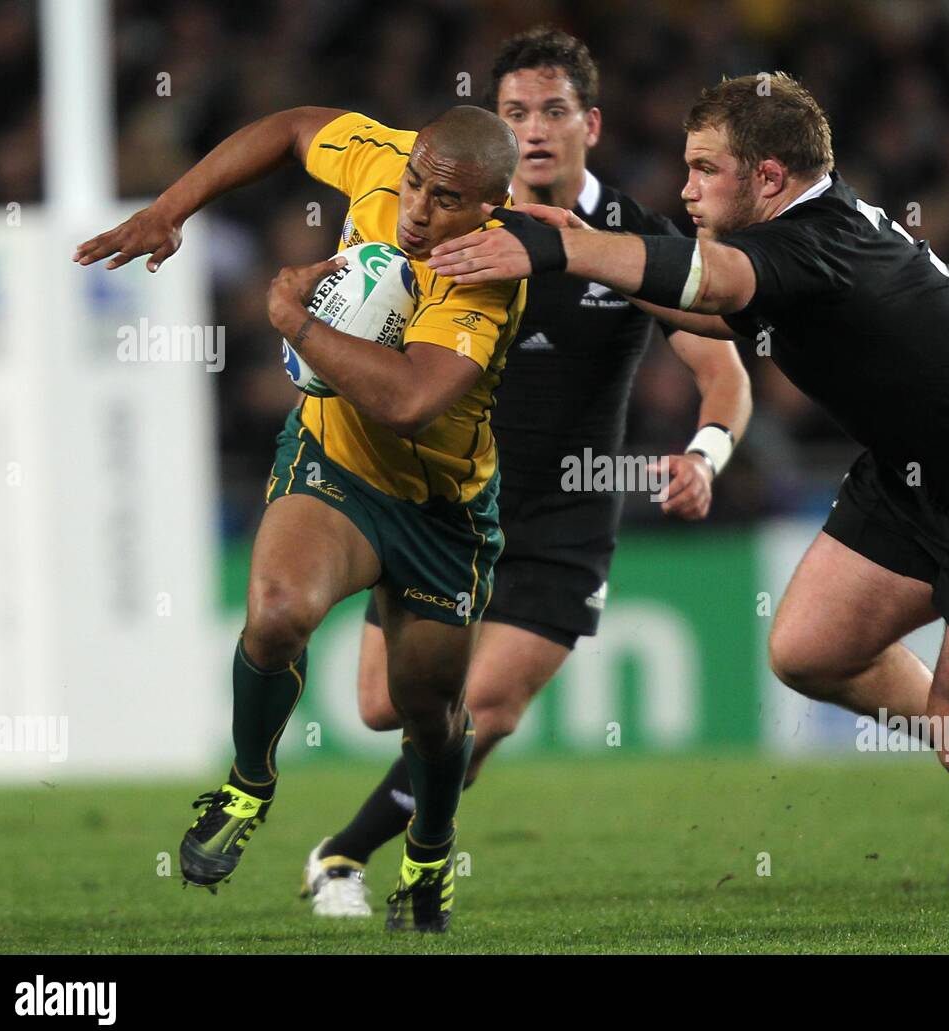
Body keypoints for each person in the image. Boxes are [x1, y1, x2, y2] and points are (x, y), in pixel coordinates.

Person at [428, 72, 949, 921]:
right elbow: (718, 308)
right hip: (913, 475)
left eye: (706, 168)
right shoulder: (798, 237)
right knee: (811, 649)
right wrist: (581, 241)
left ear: (770, 176)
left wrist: (563, 248)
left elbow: (710, 282)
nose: (687, 188)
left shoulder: (813, 243)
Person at [303, 27, 751, 918]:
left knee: (489, 702)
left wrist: (707, 455)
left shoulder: (627, 239)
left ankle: (354, 857)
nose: (535, 129)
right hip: (445, 508)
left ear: (589, 121)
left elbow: (724, 366)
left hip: (564, 523)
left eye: (552, 111)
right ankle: (368, 848)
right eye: (515, 113)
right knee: (381, 707)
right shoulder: (451, 220)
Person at [74, 104, 526, 933]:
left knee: (424, 710)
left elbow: (410, 400)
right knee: (277, 613)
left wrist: (298, 325)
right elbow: (287, 128)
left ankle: (429, 851)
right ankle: (249, 782)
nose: (418, 209)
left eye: (446, 199)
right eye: (415, 184)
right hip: (334, 466)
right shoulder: (387, 163)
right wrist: (171, 207)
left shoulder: (491, 273)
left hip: (440, 514)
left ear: (490, 207)